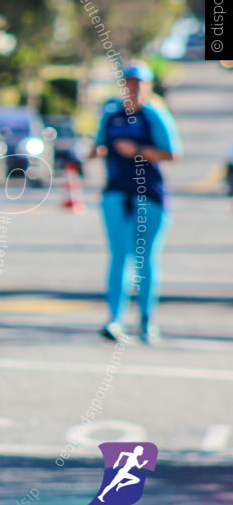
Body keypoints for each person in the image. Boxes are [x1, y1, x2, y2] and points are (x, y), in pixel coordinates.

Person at [91, 63, 181, 345]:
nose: (133, 88)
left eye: (139, 83)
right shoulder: (112, 115)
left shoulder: (154, 115)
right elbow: (97, 145)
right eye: (129, 83)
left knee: (145, 259)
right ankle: (114, 319)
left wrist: (138, 151)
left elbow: (172, 153)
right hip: (116, 192)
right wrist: (97, 150)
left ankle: (146, 320)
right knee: (120, 255)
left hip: (149, 195)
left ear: (148, 86)